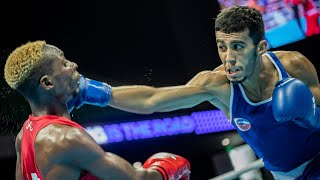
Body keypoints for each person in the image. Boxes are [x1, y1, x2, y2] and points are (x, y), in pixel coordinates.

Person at [68, 6, 320, 179]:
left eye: (238, 46)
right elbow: (153, 99)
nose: (228, 58)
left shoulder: (293, 65)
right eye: (222, 47)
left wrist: (311, 115)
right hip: (291, 175)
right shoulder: (217, 85)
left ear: (261, 47)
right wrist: (94, 92)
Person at [4, 40, 191, 180]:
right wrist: (165, 166)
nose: (73, 65)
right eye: (64, 63)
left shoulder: (24, 136)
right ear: (48, 83)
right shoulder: (67, 138)